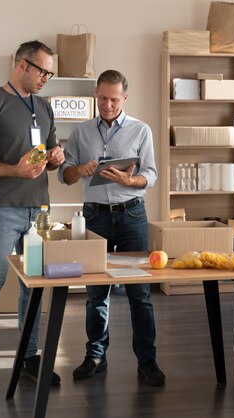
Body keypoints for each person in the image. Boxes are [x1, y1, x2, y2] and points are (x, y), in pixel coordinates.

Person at [0, 40, 65, 402]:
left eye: (49, 73)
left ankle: (29, 358)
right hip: (2, 209)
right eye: (42, 71)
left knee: (33, 288)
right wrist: (13, 171)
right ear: (22, 65)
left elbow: (52, 152)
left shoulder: (44, 106)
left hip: (39, 212)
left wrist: (56, 155)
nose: (45, 79)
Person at [58, 69, 164, 386]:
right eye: (103, 98)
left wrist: (130, 181)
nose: (107, 104)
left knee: (140, 294)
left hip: (132, 215)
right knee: (96, 294)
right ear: (95, 94)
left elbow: (151, 174)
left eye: (114, 99)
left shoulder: (140, 130)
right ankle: (95, 356)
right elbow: (64, 175)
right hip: (95, 217)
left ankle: (147, 361)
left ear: (124, 98)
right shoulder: (80, 132)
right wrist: (81, 168)